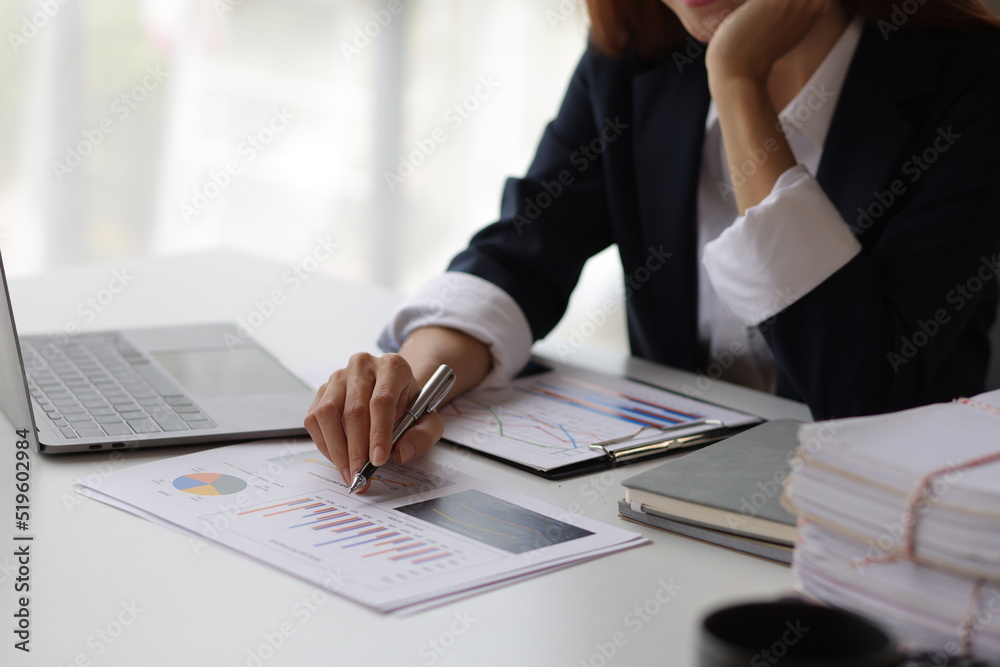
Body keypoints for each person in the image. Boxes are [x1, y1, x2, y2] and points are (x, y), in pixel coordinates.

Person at [305, 0, 1000, 491]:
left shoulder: (972, 84)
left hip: (887, 533)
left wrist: (738, 81)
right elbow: (525, 247)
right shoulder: (636, 60)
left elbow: (863, 392)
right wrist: (411, 380)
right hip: (667, 506)